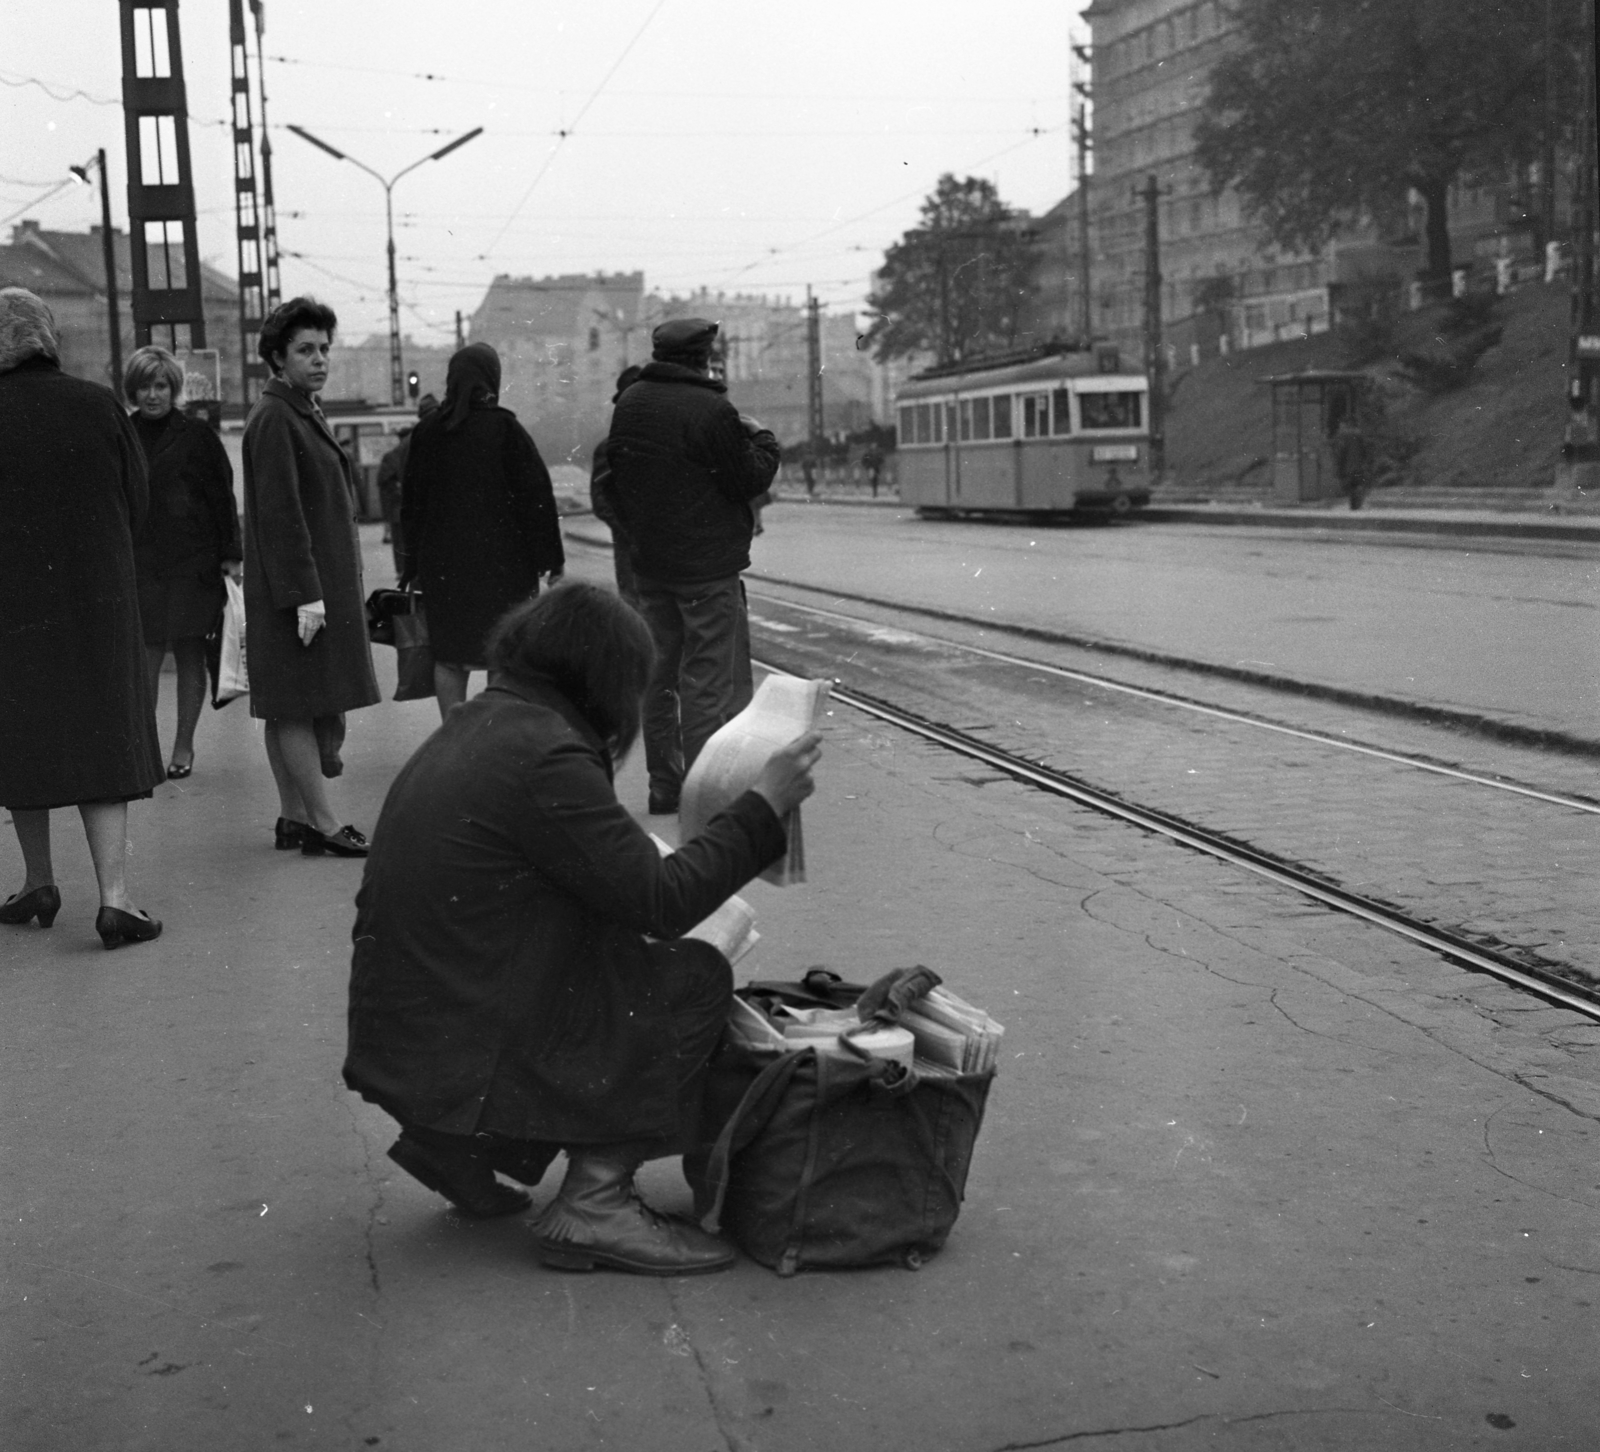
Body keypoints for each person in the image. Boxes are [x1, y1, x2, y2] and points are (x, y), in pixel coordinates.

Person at [344, 582, 820, 1274]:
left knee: (619, 946)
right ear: (603, 678)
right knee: (693, 975)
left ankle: (456, 1145)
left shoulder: (487, 722)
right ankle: (595, 1202)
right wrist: (762, 808)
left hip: (413, 1040)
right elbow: (663, 901)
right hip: (461, 1041)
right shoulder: (545, 756)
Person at [0, 288, 164, 949]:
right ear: (49, 338)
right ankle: (116, 899)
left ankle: (38, 879)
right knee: (100, 734)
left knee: (19, 737)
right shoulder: (99, 405)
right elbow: (138, 499)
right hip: (97, 600)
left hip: (11, 608)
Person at [606, 318, 781, 815]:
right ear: (704, 356)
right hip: (706, 569)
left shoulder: (630, 405)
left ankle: (664, 785)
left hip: (651, 565)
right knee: (705, 682)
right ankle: (706, 796)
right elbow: (748, 477)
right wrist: (763, 439)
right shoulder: (712, 409)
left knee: (658, 677)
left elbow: (617, 481)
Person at [242, 297, 380, 857]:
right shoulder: (278, 416)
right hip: (297, 593)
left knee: (287, 705)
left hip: (298, 590)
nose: (320, 359)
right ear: (277, 357)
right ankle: (322, 824)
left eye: (324, 348)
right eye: (305, 350)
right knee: (295, 704)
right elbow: (280, 513)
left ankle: (292, 817)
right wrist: (306, 596)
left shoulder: (296, 408)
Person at [399, 343, 564, 719]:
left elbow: (411, 504)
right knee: (501, 658)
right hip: (505, 569)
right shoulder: (506, 430)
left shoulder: (427, 433)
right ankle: (493, 739)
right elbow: (537, 500)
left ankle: (452, 738)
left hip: (444, 570)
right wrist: (551, 561)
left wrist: (411, 564)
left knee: (450, 659)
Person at [124, 345, 243, 780]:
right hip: (143, 561)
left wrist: (231, 555)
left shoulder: (196, 435)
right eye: (144, 385)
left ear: (173, 388)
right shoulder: (123, 431)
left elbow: (222, 496)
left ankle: (183, 746)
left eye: (160, 385)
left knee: (192, 651)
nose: (152, 394)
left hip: (194, 562)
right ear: (132, 389)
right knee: (147, 656)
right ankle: (148, 748)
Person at [588, 364, 643, 604]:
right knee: (636, 614)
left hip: (668, 552)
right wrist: (628, 530)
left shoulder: (667, 438)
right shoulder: (609, 448)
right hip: (631, 550)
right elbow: (601, 500)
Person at [376, 392, 437, 573]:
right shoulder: (424, 439)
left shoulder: (400, 449)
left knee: (404, 543)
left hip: (404, 507)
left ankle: (404, 571)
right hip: (413, 507)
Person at [1331, 409, 1371, 511]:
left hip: (1347, 466)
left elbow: (1340, 452)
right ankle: (1357, 503)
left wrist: (1338, 465)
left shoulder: (1343, 436)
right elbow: (1365, 450)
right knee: (1357, 484)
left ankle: (1354, 505)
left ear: (1345, 424)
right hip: (1359, 465)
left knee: (1351, 486)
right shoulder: (1359, 434)